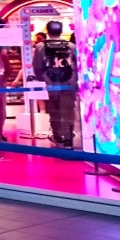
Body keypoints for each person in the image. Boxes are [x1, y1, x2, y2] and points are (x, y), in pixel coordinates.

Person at [33, 20, 78, 148]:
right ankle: (69, 136)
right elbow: (77, 65)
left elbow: (37, 66)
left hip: (51, 83)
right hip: (69, 83)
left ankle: (57, 135)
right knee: (68, 110)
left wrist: (43, 79)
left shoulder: (40, 46)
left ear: (47, 31)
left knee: (54, 110)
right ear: (61, 31)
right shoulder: (71, 46)